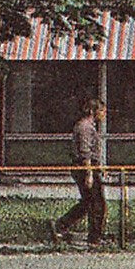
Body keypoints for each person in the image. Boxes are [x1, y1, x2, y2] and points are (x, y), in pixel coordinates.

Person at [52, 98, 107, 246]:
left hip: (88, 167)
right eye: (101, 111)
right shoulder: (85, 127)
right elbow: (85, 152)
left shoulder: (89, 127)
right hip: (84, 168)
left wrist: (99, 167)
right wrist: (89, 173)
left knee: (87, 202)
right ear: (93, 111)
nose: (104, 114)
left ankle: (62, 224)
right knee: (97, 204)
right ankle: (94, 238)